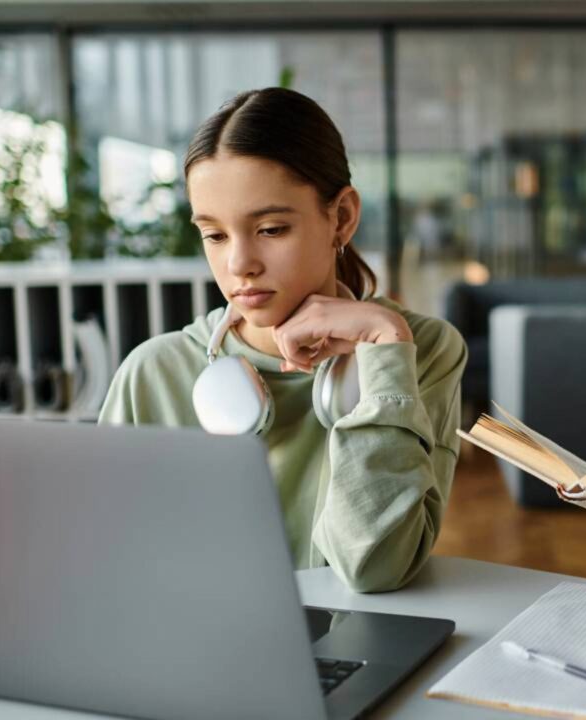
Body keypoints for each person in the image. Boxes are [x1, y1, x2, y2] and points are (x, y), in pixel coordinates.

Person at [100, 87, 467, 593]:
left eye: (270, 229)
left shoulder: (420, 350)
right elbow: (107, 573)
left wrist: (385, 350)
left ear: (341, 217)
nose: (238, 265)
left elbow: (377, 567)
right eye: (214, 235)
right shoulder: (154, 375)